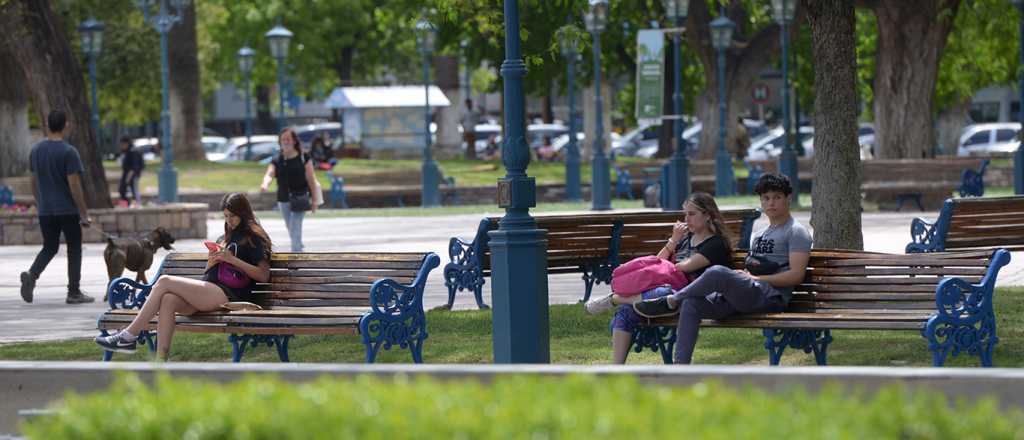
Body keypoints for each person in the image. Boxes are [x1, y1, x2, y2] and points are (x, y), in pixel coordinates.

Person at [633, 173, 812, 364]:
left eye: (777, 197)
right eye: (766, 198)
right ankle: (680, 367)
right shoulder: (760, 233)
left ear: (788, 199)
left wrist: (756, 279)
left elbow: (796, 275)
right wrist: (745, 277)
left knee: (717, 271)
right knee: (691, 303)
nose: (771, 203)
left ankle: (671, 300)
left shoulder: (795, 232)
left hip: (770, 297)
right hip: (744, 296)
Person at [95, 193, 272, 360]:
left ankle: (128, 335)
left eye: (232, 216)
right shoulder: (224, 237)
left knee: (164, 281)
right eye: (225, 216)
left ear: (243, 213)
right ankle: (160, 364)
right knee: (168, 299)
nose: (229, 221)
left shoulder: (254, 238)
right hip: (210, 292)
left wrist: (232, 260)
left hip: (230, 296)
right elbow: (211, 274)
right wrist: (211, 264)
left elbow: (263, 276)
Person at [584, 192, 734, 364]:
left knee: (663, 292)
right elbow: (657, 264)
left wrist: (667, 265)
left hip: (696, 297)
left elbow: (681, 267)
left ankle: (615, 299)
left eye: (692, 214)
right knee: (625, 313)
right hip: (669, 295)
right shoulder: (685, 240)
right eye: (685, 214)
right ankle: (616, 370)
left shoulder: (716, 244)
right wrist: (673, 240)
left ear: (708, 215)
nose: (687, 219)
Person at [19, 110, 95, 304]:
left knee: (50, 246)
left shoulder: (36, 150)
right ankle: (74, 292)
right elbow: (74, 185)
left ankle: (32, 275)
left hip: (46, 210)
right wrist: (83, 213)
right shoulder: (69, 152)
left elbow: (33, 181)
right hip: (67, 210)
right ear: (66, 125)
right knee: (74, 248)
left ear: (47, 125)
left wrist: (40, 202)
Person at [260, 128, 317, 252]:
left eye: (288, 139)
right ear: (279, 142)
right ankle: (299, 247)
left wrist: (314, 201)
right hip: (283, 199)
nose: (285, 142)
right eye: (283, 139)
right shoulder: (277, 159)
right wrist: (265, 183)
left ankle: (297, 255)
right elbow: (270, 173)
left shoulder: (304, 157)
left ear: (294, 141)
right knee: (291, 227)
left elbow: (311, 180)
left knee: (295, 227)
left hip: (300, 197)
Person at [117, 136, 144, 208]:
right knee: (121, 190)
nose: (121, 146)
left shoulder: (133, 152)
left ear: (127, 144)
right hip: (126, 174)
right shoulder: (126, 152)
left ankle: (137, 205)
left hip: (132, 175)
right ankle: (124, 206)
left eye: (122, 144)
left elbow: (134, 167)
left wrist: (128, 177)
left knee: (134, 190)